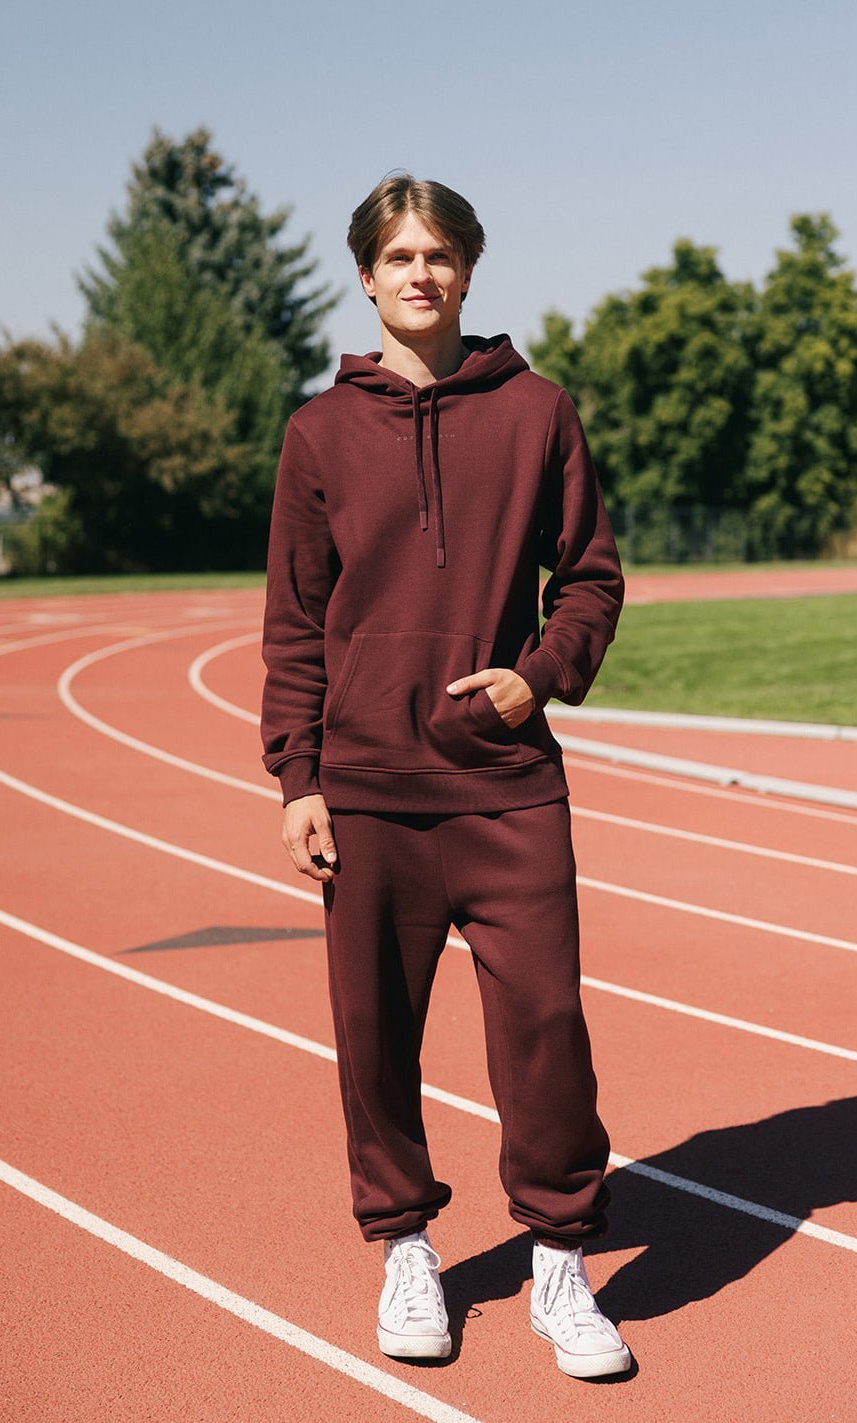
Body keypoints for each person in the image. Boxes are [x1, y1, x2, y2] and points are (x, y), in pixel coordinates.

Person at [259, 175, 628, 1379]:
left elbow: (588, 578)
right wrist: (297, 774)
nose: (419, 273)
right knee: (373, 1040)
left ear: (467, 271)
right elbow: (295, 624)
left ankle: (559, 1260)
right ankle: (405, 1243)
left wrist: (539, 675)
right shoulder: (316, 433)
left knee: (546, 1027)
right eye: (397, 255)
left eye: (440, 254)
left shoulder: (537, 413)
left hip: (507, 784)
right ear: (364, 275)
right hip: (365, 791)